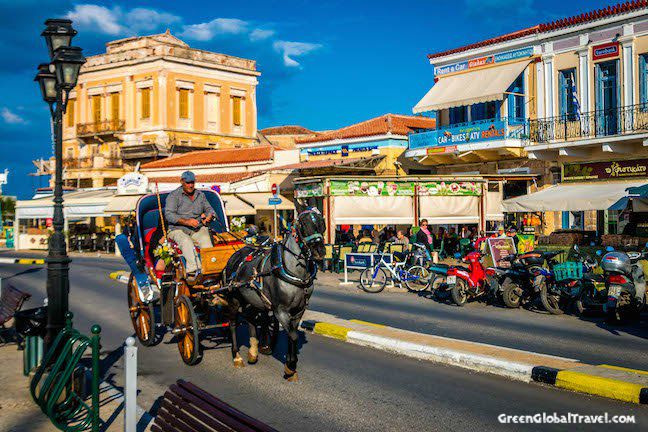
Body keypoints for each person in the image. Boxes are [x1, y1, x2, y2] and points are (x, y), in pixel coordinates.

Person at [165, 171, 215, 279]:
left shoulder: (200, 195)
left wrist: (209, 216)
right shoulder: (174, 196)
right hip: (177, 230)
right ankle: (193, 271)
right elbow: (169, 215)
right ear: (182, 182)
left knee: (206, 239)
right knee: (185, 241)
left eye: (192, 182)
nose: (190, 185)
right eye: (187, 183)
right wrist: (186, 222)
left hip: (196, 229)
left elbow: (209, 209)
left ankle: (210, 269)